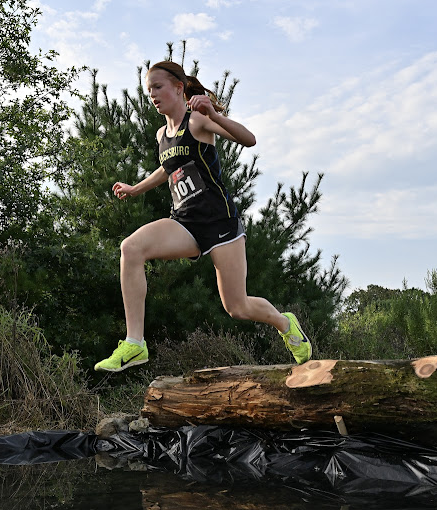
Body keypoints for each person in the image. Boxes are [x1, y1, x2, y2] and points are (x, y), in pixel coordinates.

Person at [93, 61, 311, 373]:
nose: (152, 95)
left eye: (158, 87)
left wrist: (214, 114)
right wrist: (136, 188)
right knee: (131, 248)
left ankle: (284, 323)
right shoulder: (161, 135)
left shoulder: (197, 121)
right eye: (148, 90)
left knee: (237, 307)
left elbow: (248, 139)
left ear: (178, 88)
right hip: (185, 222)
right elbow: (167, 168)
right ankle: (134, 344)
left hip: (219, 223)